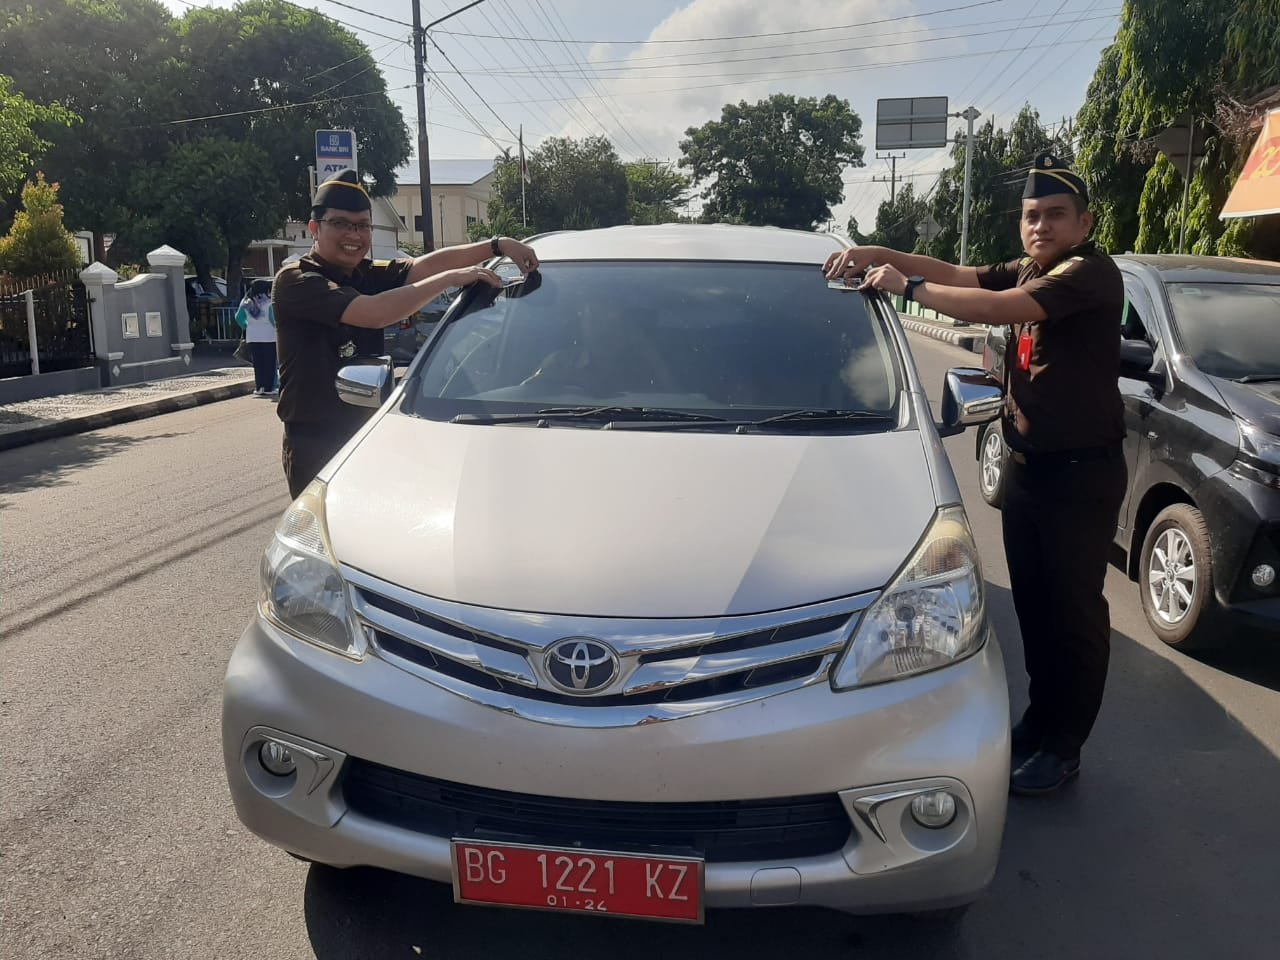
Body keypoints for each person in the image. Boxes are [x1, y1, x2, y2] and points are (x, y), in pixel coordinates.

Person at [823, 152, 1126, 796]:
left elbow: (997, 306)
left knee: (1073, 616)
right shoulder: (1032, 265)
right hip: (1027, 467)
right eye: (1031, 216)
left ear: (1084, 223)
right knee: (1036, 611)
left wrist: (906, 287)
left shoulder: (1087, 273)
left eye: (1055, 215)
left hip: (1079, 476)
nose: (1040, 226)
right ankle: (1039, 725)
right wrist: (878, 253)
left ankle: (1064, 747)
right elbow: (958, 272)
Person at [272, 169, 539, 498]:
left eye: (363, 225)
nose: (353, 234)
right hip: (317, 442)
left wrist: (497, 245)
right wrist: (452, 279)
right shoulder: (297, 280)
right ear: (314, 228)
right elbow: (374, 313)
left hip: (368, 431)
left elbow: (423, 266)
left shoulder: (363, 273)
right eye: (340, 223)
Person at [235, 278, 278, 396]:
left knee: (258, 363)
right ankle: (269, 388)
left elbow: (238, 318)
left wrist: (247, 326)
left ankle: (259, 387)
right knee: (269, 363)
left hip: (252, 336)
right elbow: (273, 320)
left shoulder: (246, 302)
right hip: (269, 336)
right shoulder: (269, 303)